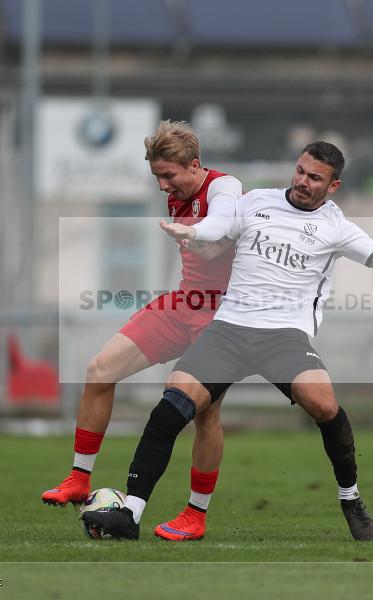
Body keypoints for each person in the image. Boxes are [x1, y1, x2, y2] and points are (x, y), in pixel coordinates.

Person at [82, 141, 373, 541]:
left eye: (314, 177)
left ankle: (350, 498)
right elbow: (219, 238)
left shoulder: (336, 227)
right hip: (229, 328)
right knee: (171, 405)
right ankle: (131, 513)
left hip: (284, 337)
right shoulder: (255, 202)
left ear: (333, 186)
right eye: (300, 171)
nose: (302, 181)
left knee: (325, 406)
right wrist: (196, 236)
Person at [42, 120, 242, 542]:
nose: (163, 186)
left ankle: (196, 514)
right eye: (157, 177)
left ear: (195, 165)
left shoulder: (224, 187)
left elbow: (222, 222)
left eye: (169, 175)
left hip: (221, 316)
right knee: (100, 370)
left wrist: (196, 233)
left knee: (207, 415)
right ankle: (79, 477)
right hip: (182, 304)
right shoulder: (175, 196)